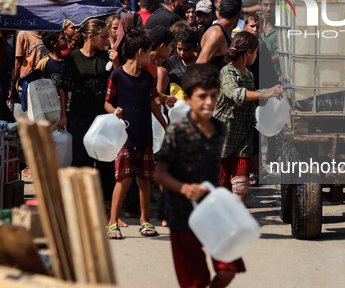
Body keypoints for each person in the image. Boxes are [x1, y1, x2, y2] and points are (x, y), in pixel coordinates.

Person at [154, 63, 245, 288]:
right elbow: (160, 173)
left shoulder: (220, 129)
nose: (208, 102)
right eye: (202, 96)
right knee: (196, 281)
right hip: (181, 213)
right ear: (187, 98)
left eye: (214, 96)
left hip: (212, 208)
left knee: (228, 269)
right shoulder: (178, 131)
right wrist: (185, 188)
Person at [105, 30, 168, 239]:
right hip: (124, 137)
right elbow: (107, 102)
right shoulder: (117, 75)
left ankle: (145, 220)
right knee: (123, 180)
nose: (150, 55)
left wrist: (166, 125)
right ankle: (112, 222)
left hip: (144, 136)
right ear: (140, 51)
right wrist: (114, 111)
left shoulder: (146, 77)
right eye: (148, 51)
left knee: (144, 180)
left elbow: (153, 103)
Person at [215, 32, 283, 204]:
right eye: (255, 53)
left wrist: (271, 93)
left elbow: (253, 97)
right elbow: (236, 94)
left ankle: (236, 217)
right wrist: (266, 92)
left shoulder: (249, 74)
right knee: (222, 182)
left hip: (244, 135)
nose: (256, 57)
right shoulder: (227, 72)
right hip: (224, 137)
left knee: (241, 183)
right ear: (248, 53)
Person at [58, 19, 114, 201]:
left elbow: (118, 81)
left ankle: (105, 202)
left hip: (102, 113)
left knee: (105, 158)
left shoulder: (107, 58)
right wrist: (63, 115)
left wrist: (117, 62)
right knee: (82, 156)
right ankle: (79, 200)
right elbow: (63, 87)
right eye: (104, 36)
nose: (106, 40)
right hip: (80, 113)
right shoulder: (72, 58)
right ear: (91, 36)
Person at [243, 13, 279, 185]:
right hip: (245, 95)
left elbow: (269, 73)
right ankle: (253, 171)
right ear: (245, 27)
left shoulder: (261, 46)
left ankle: (257, 171)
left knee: (255, 134)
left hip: (258, 96)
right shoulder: (240, 45)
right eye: (252, 26)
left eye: (258, 27)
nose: (256, 30)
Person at [196, 0, 242, 70]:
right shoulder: (216, 33)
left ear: (220, 10)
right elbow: (198, 68)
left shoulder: (224, 33)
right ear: (238, 15)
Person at [13, 30, 49, 98]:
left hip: (44, 84)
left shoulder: (49, 34)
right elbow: (18, 62)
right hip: (27, 84)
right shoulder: (24, 35)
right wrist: (13, 85)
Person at [259, 0, 282, 77]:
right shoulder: (253, 23)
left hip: (276, 77)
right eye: (265, 5)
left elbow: (286, 51)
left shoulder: (283, 26)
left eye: (272, 5)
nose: (269, 9)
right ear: (260, 5)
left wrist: (267, 62)